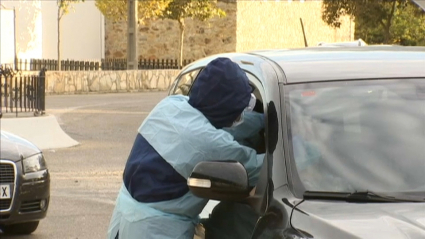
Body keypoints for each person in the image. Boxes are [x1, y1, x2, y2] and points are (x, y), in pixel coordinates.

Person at [106, 57, 265, 239]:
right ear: (226, 107)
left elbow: (222, 125)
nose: (242, 114)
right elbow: (261, 167)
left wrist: (263, 120)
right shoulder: (209, 143)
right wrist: (302, 149)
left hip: (124, 220)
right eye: (241, 107)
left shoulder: (172, 105)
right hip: (155, 231)